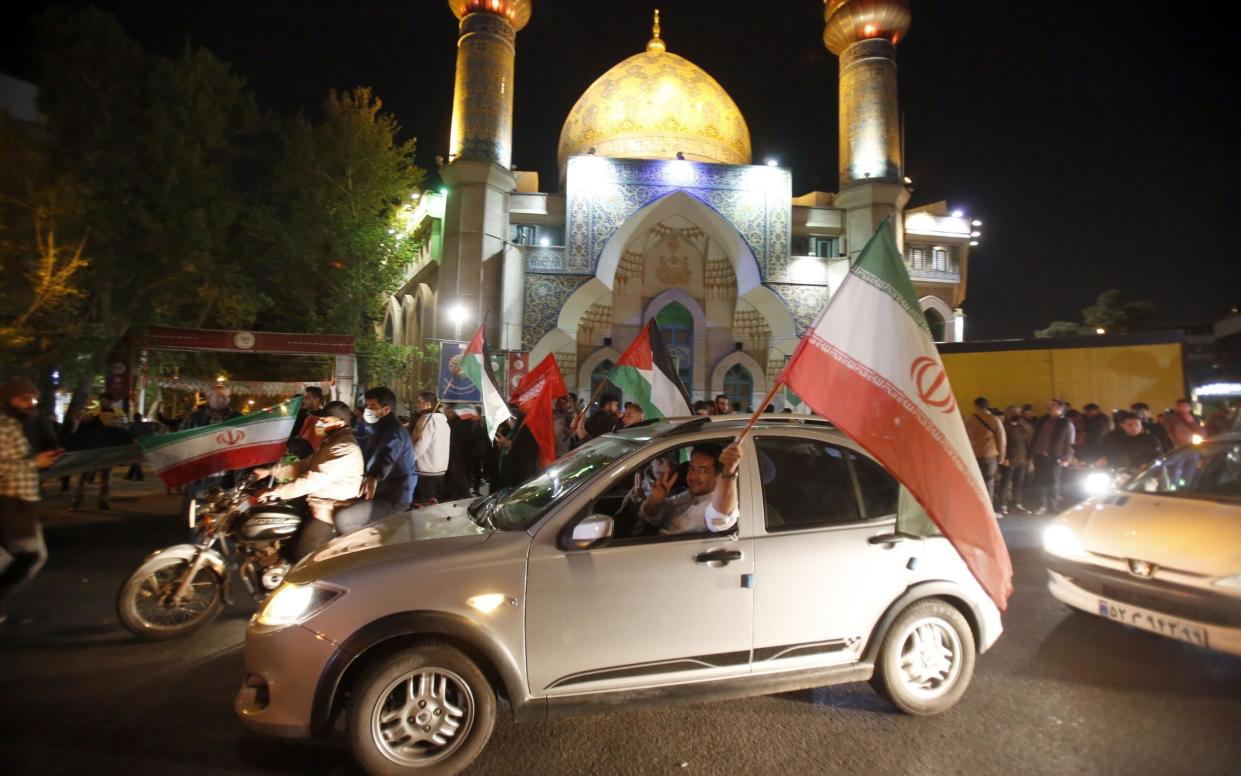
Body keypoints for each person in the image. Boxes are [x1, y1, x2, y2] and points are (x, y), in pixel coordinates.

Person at [255, 401, 362, 559]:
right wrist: (270, 472)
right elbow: (303, 465)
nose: (319, 424)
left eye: (325, 421)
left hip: (328, 510)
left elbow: (313, 479)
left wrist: (278, 491)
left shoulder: (343, 447)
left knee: (302, 556)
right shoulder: (330, 443)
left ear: (339, 423)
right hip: (316, 502)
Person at [0, 378, 63, 625]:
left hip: (21, 499)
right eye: (24, 398)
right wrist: (34, 463)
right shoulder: (3, 425)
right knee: (31, 555)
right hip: (9, 499)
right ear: (8, 399)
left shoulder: (22, 423)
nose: (30, 403)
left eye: (32, 398)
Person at [334, 387, 416, 534]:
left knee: (344, 518)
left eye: (372, 406)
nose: (368, 410)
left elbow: (387, 455)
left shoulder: (394, 432)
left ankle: (361, 553)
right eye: (367, 405)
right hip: (379, 490)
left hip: (393, 497)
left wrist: (374, 475)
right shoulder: (376, 428)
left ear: (386, 410)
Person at [638, 442, 742, 535]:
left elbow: (720, 518)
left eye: (702, 470)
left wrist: (729, 473)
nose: (692, 476)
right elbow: (654, 518)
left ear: (718, 475)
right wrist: (655, 501)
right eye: (691, 469)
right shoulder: (688, 496)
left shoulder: (715, 504)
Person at [1030, 399, 1076, 514]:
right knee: (1039, 481)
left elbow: (1070, 442)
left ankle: (1053, 506)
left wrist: (1067, 458)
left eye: (1053, 405)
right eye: (1049, 404)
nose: (1049, 406)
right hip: (1040, 455)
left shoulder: (1066, 423)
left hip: (1055, 456)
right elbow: (1035, 436)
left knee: (1053, 482)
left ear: (1060, 408)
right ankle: (1041, 506)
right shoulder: (1042, 420)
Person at [965, 397, 1006, 511]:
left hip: (973, 456)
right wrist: (1001, 456)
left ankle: (974, 508)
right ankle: (987, 509)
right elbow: (1001, 439)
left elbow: (964, 437)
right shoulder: (995, 420)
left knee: (974, 482)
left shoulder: (969, 419)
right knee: (989, 483)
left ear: (976, 405)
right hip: (990, 456)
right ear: (987, 406)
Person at [411, 391, 450, 504]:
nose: (417, 404)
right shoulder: (444, 423)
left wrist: (408, 459)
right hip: (440, 471)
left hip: (426, 472)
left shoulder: (427, 420)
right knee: (435, 509)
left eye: (419, 402)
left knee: (424, 509)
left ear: (428, 404)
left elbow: (420, 446)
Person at [1096, 411, 1163, 473]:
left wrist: (1148, 464)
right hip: (1119, 473)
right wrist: (1103, 460)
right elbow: (1108, 453)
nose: (1134, 428)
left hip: (1144, 473)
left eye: (1137, 425)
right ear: (1122, 425)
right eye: (1129, 425)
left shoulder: (1150, 439)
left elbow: (1158, 456)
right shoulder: (1114, 439)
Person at [1000, 405, 1033, 514]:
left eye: (1018, 412)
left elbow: (1029, 443)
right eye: (1014, 412)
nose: (1017, 414)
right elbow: (1001, 444)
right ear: (1008, 414)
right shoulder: (1003, 427)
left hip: (1022, 459)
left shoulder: (1024, 427)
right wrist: (1003, 457)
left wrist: (1029, 458)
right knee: (1005, 483)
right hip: (1009, 460)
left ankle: (1017, 504)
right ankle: (1002, 505)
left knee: (1019, 482)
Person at [287, 386, 327, 459]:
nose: (304, 401)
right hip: (298, 454)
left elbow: (319, 437)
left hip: (313, 456)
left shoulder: (323, 416)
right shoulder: (302, 414)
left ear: (316, 399)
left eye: (307, 398)